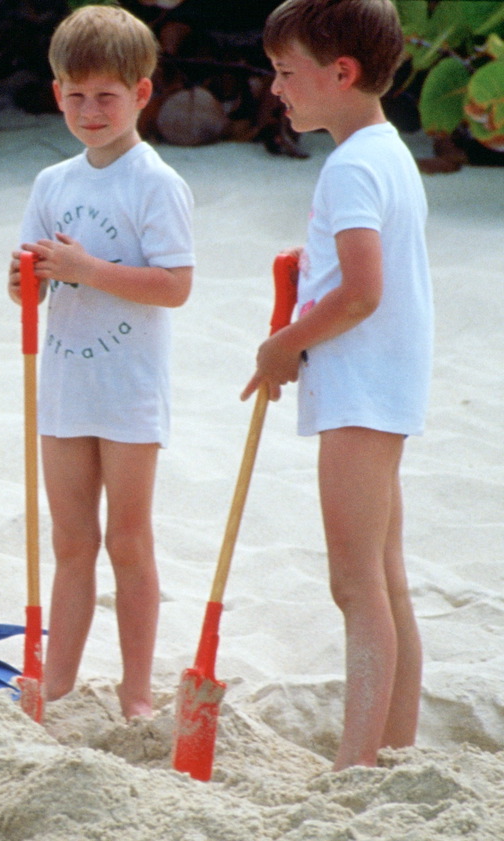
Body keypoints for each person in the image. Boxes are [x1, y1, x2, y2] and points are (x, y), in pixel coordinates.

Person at [243, 0, 431, 770]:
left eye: (288, 73)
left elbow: (361, 293)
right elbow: (357, 274)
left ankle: (355, 766)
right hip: (386, 386)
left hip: (360, 390)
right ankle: (395, 752)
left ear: (341, 73)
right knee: (387, 580)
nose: (277, 89)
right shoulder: (387, 150)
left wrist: (282, 345)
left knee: (355, 585)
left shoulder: (351, 165)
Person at [8, 5, 194, 719]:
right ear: (57, 94)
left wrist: (86, 268)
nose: (89, 110)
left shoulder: (155, 183)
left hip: (128, 390)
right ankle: (55, 682)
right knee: (71, 540)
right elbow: (32, 276)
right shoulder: (53, 182)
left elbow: (175, 286)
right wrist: (29, 279)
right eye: (75, 95)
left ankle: (137, 689)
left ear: (142, 94)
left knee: (128, 539)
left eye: (106, 96)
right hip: (64, 384)